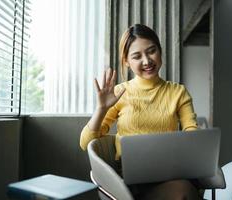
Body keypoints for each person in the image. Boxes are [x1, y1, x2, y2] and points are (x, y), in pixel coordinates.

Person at [80, 24, 200, 200]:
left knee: (186, 188)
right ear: (127, 61)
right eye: (137, 56)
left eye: (151, 51)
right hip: (131, 182)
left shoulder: (178, 92)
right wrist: (101, 108)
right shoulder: (119, 93)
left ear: (160, 51)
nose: (147, 61)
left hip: (169, 173)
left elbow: (192, 133)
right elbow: (85, 143)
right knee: (183, 192)